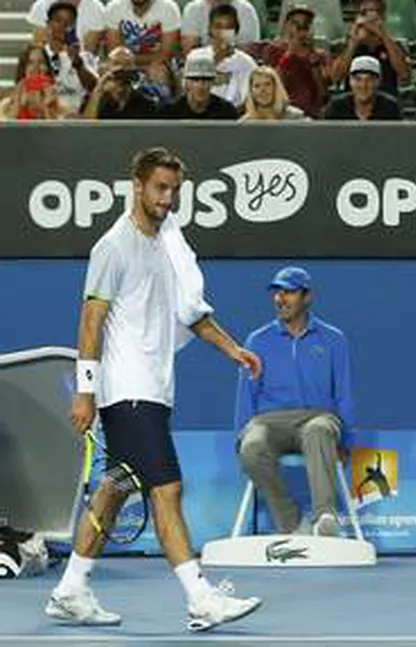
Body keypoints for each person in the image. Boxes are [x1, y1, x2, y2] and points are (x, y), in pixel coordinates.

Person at [46, 147, 264, 632]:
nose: (168, 200)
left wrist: (233, 350)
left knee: (116, 488)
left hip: (153, 390)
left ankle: (71, 589)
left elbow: (189, 314)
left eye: (175, 191)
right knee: (168, 488)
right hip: (127, 390)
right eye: (160, 189)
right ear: (138, 186)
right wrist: (85, 392)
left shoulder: (163, 244)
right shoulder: (114, 246)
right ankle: (200, 598)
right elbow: (91, 321)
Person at [234, 266, 356, 538]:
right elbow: (246, 396)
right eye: (277, 292)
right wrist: (240, 437)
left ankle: (325, 516)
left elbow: (344, 394)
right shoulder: (257, 340)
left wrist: (346, 441)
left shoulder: (333, 339)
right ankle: (292, 524)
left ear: (307, 296)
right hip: (269, 422)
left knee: (318, 430)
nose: (280, 298)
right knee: (252, 446)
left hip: (317, 418)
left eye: (288, 292)